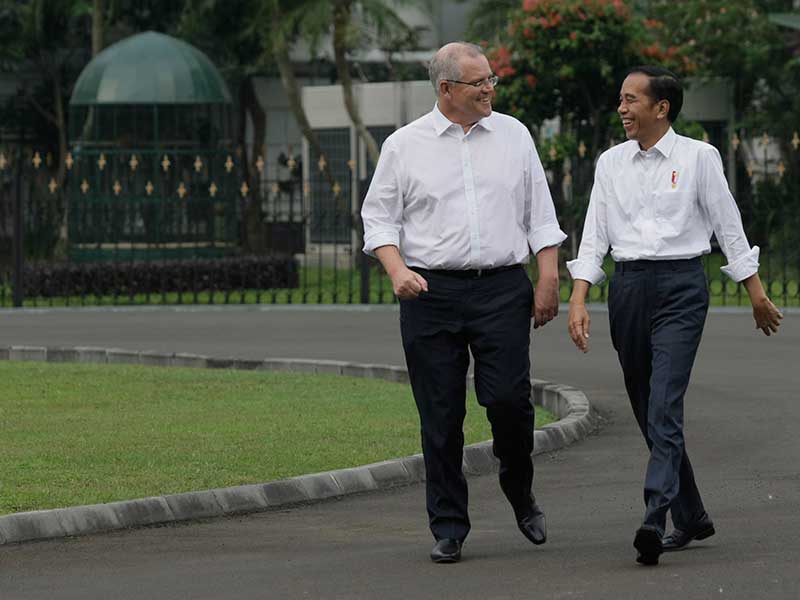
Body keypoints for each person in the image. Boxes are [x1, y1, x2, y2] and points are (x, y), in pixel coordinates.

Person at [566, 65, 784, 566]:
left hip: (682, 287)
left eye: (630, 100)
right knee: (647, 407)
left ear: (661, 108)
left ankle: (654, 515)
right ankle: (692, 515)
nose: (621, 109)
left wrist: (754, 291)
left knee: (665, 403)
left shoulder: (698, 157)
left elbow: (728, 225)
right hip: (628, 289)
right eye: (620, 100)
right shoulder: (609, 163)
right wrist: (579, 296)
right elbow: (595, 233)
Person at [361, 41, 566, 564]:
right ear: (446, 88)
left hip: (501, 287)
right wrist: (397, 269)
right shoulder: (404, 146)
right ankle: (449, 524)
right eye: (480, 83)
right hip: (430, 293)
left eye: (492, 80)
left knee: (509, 403)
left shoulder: (514, 135)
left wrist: (547, 278)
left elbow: (540, 215)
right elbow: (379, 220)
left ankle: (520, 492)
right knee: (440, 414)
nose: (490, 91)